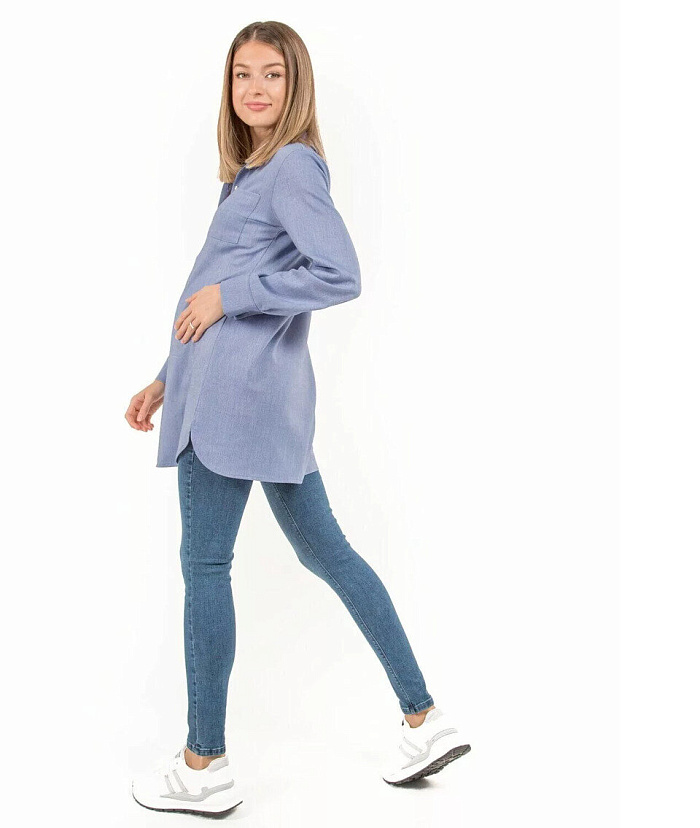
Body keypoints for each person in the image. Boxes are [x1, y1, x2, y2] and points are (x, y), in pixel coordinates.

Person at [126, 21, 470, 816]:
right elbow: (215, 293)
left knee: (205, 567)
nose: (255, 88)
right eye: (242, 74)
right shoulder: (251, 176)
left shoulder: (289, 169)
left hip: (231, 406)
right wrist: (166, 377)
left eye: (272, 75)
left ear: (296, 86)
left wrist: (232, 297)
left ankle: (203, 764)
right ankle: (424, 719)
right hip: (255, 402)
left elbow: (339, 272)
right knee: (330, 554)